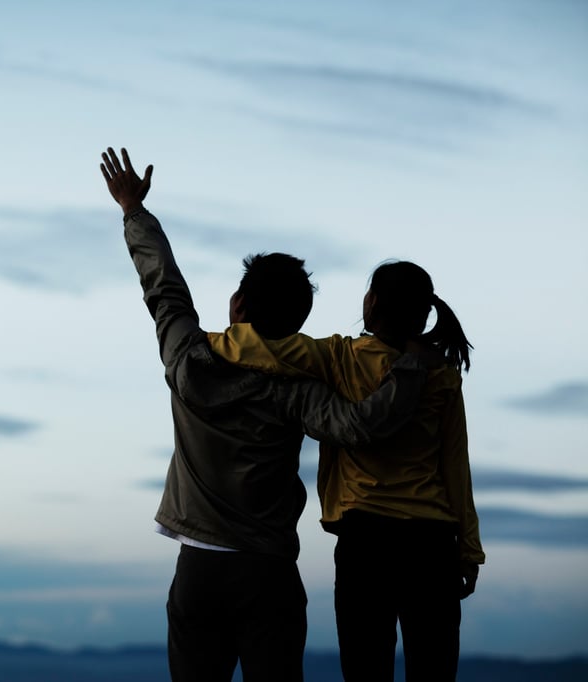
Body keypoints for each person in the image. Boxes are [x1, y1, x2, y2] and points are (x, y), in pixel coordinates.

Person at [100, 147, 427, 682]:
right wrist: (410, 365)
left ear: (239, 306)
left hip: (198, 570)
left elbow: (163, 287)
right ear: (298, 322)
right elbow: (365, 424)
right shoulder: (299, 389)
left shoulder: (188, 359)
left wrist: (132, 208)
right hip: (269, 573)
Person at [208, 258, 485, 681]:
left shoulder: (338, 356)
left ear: (371, 303)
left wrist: (196, 339)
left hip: (366, 541)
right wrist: (468, 549)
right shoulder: (440, 375)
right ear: (424, 315)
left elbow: (256, 350)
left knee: (364, 670)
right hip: (433, 544)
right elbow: (455, 468)